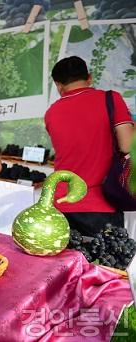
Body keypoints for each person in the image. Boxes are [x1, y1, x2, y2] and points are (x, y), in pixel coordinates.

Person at [45, 56, 134, 236]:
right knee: (104, 263)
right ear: (89, 77)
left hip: (62, 203)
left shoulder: (51, 112)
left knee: (67, 263)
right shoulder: (111, 99)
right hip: (101, 204)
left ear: (58, 84)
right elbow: (126, 145)